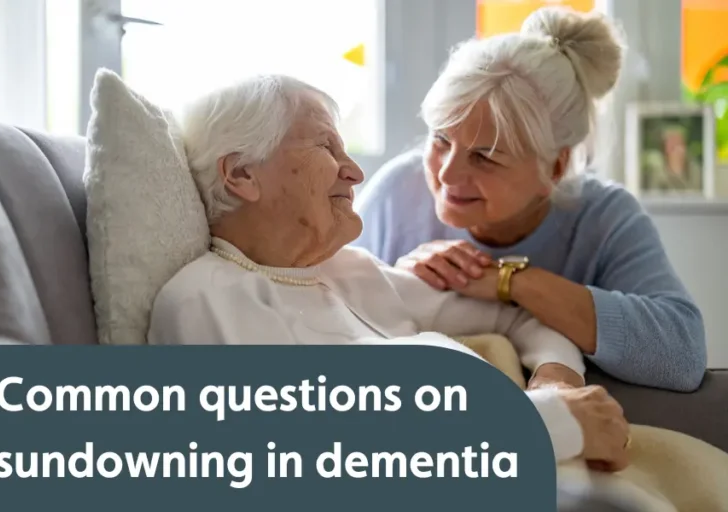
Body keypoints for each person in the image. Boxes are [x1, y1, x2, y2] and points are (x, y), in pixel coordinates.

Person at [147, 73, 630, 471]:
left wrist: (556, 382)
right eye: (326, 148)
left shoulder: (349, 271)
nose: (354, 172)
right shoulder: (205, 298)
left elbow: (520, 318)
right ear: (242, 175)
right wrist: (552, 424)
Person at [350, 6, 707, 392]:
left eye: (484, 157)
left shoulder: (604, 218)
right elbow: (324, 312)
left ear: (554, 167)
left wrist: (512, 282)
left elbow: (682, 356)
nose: (447, 173)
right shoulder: (397, 193)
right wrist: (397, 283)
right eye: (440, 139)